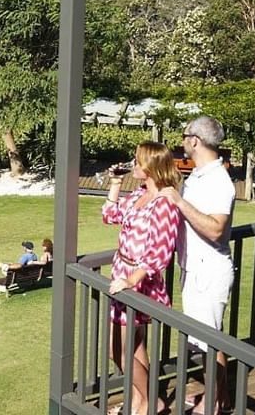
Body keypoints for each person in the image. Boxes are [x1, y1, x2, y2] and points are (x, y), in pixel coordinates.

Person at [159, 116, 236, 415]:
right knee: (209, 337)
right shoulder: (201, 176)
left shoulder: (219, 182)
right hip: (195, 269)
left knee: (209, 342)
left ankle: (213, 404)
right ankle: (222, 396)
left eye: (184, 135)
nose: (182, 141)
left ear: (195, 140)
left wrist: (180, 203)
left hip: (208, 271)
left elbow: (217, 229)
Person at [102, 141, 181, 415]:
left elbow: (159, 253)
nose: (133, 164)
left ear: (151, 166)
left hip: (139, 285)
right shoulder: (138, 195)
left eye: (137, 160)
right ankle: (142, 402)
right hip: (122, 275)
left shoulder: (164, 204)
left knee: (118, 350)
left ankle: (150, 401)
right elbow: (110, 215)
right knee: (134, 349)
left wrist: (131, 280)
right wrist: (115, 183)